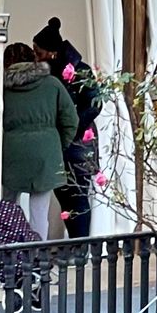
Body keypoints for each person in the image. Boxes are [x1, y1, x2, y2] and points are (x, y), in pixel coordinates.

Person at [0, 43, 78, 240]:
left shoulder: (1, 89)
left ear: (6, 64)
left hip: (12, 155)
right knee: (39, 211)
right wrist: (58, 146)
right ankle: (37, 257)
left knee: (8, 207)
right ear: (34, 60)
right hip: (46, 156)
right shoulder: (53, 84)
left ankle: (11, 251)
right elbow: (71, 121)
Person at [33, 17, 101, 238]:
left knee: (78, 196)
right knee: (64, 195)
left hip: (79, 143)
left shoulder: (80, 71)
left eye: (38, 52)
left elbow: (94, 104)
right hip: (58, 143)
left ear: (51, 53)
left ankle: (79, 246)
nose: (35, 57)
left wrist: (72, 128)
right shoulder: (49, 74)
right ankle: (74, 244)